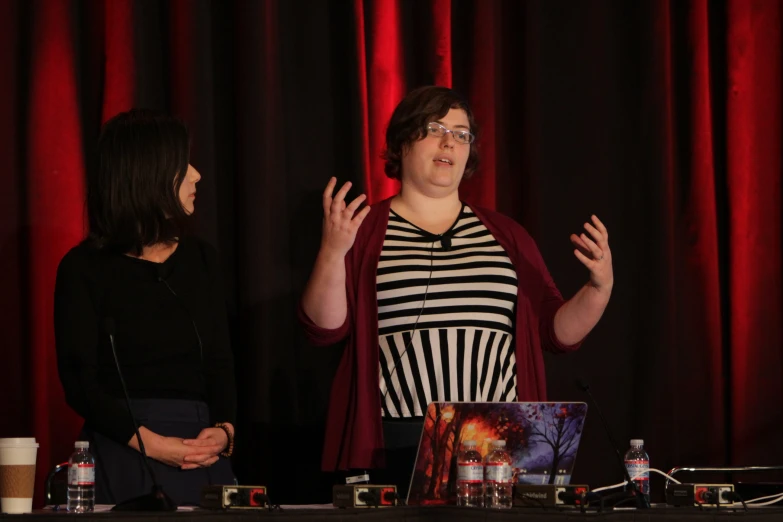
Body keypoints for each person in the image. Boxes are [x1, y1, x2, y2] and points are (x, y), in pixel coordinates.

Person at [299, 86, 614, 494]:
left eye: (462, 133)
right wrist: (332, 251)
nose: (450, 141)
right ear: (401, 142)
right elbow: (324, 329)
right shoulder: (365, 230)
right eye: (434, 128)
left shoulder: (506, 235)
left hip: (499, 446)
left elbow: (555, 332)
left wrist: (598, 287)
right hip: (399, 445)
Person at [54, 109, 236, 506]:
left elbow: (221, 362)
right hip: (123, 448)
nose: (197, 175)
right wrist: (150, 444)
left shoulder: (202, 259)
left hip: (201, 454)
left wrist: (224, 432)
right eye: (182, 164)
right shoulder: (83, 267)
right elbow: (80, 381)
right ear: (148, 174)